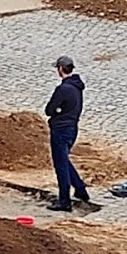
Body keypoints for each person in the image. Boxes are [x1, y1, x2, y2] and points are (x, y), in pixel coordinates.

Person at [44, 56, 89, 212]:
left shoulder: (62, 89)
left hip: (60, 130)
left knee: (61, 165)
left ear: (60, 69)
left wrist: (57, 111)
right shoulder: (77, 87)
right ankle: (80, 189)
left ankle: (65, 201)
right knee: (65, 160)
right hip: (72, 129)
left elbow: (49, 110)